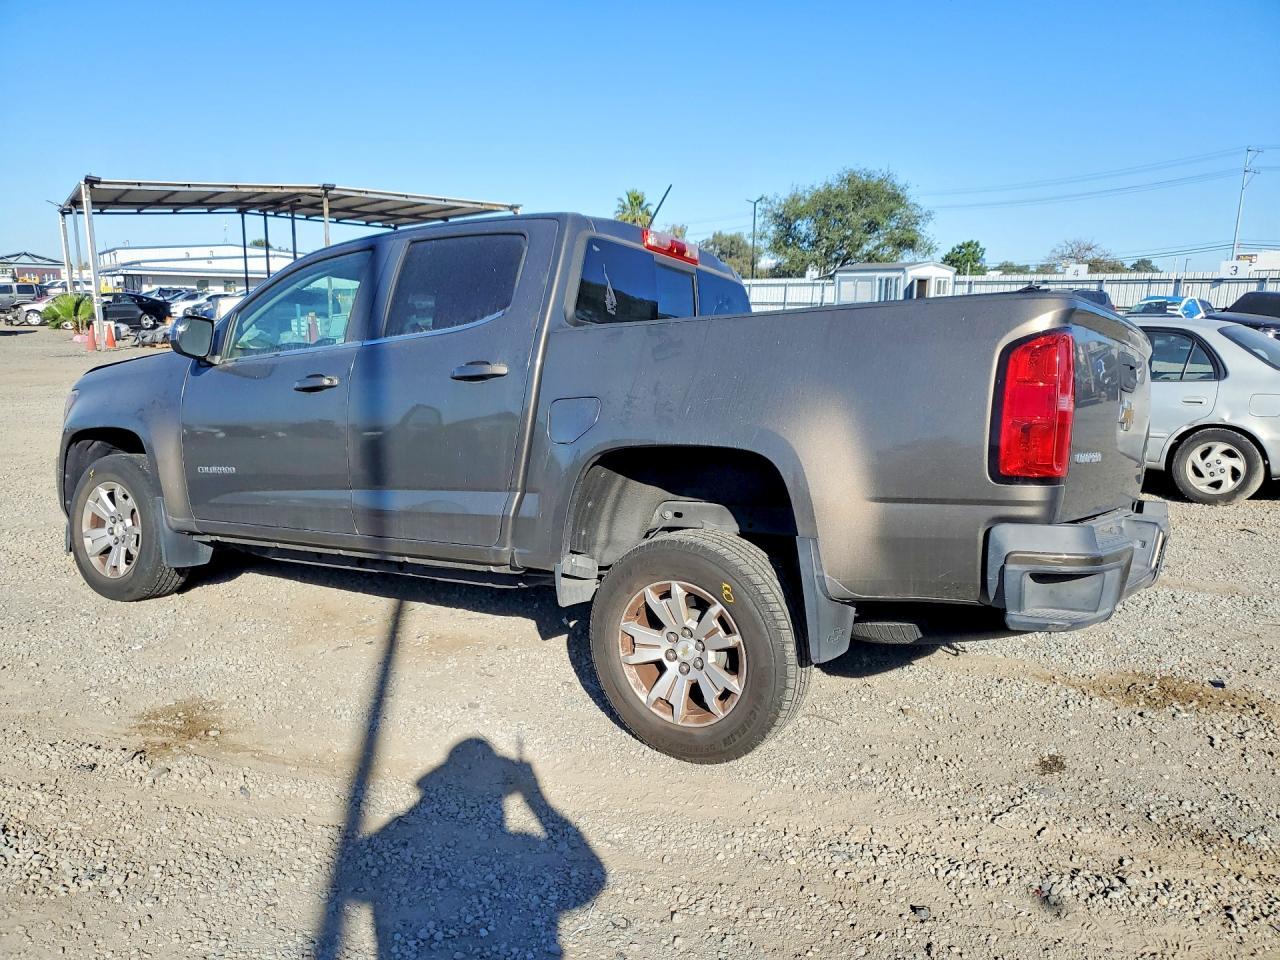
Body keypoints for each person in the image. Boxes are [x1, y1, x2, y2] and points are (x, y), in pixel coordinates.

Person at [332, 738, 605, 958]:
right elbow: (590, 877)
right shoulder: (525, 848)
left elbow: (351, 876)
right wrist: (535, 799)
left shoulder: (401, 834)